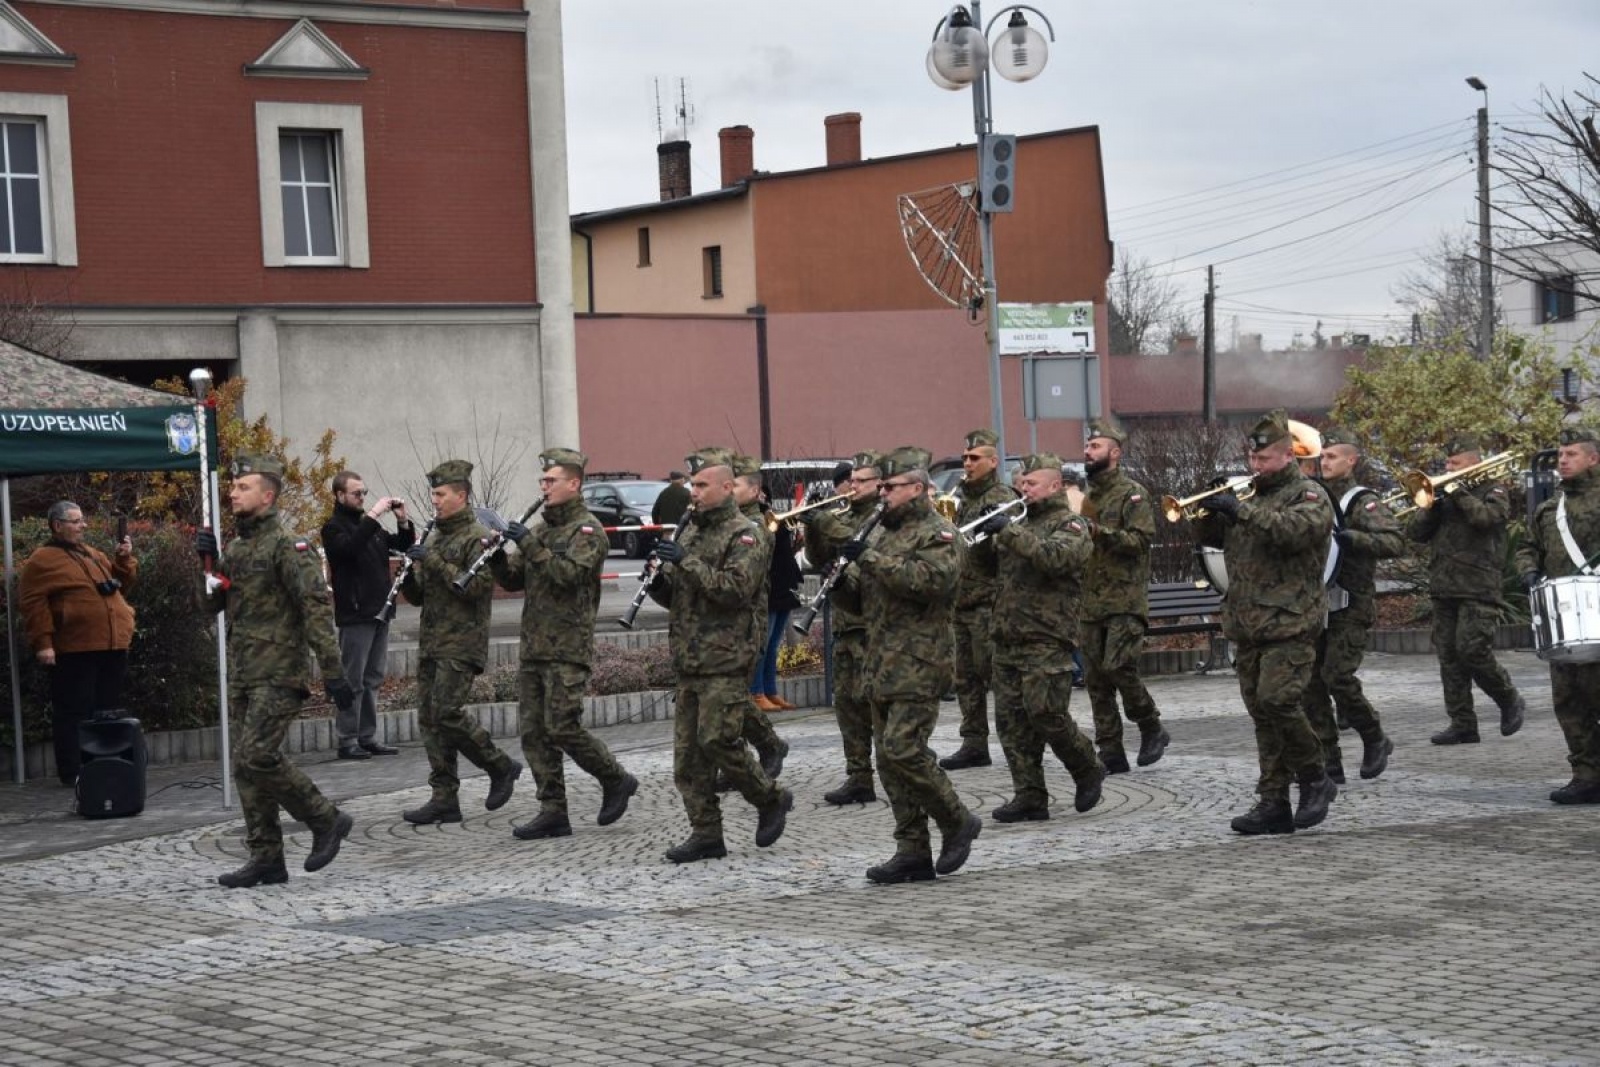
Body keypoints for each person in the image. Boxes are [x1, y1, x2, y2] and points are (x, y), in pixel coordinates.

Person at [194, 454, 355, 888]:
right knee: (246, 769)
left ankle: (326, 818)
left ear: (267, 495)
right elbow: (213, 606)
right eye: (233, 487)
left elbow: (315, 606)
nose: (233, 492)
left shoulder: (289, 544)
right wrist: (206, 568)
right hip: (245, 670)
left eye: (243, 487)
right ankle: (266, 857)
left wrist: (333, 670)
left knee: (257, 755)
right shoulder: (238, 548)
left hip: (280, 668)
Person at [1194, 411, 1338, 836]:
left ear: (1288, 456)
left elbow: (1294, 533)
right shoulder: (1250, 499)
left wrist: (1239, 511)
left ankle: (1316, 777)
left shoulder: (1309, 494)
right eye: (1253, 460)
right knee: (1263, 714)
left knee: (1279, 702)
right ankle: (1273, 801)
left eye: (1265, 460)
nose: (1256, 467)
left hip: (1290, 621)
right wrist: (1209, 514)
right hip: (1249, 622)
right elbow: (1215, 543)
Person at [843, 446, 981, 884]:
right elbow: (865, 598)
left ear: (917, 488)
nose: (881, 494)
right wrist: (838, 580)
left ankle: (956, 818)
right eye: (880, 486)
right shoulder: (882, 534)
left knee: (905, 750)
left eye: (889, 487)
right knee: (888, 761)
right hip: (881, 661)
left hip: (920, 660)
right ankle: (912, 849)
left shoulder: (939, 534)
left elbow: (928, 583)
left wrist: (867, 558)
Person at [649, 447, 793, 863]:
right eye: (692, 485)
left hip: (728, 654)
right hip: (691, 656)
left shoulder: (745, 532)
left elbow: (734, 590)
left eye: (701, 485)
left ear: (728, 487)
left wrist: (686, 563)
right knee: (687, 758)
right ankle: (706, 833)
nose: (692, 493)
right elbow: (680, 595)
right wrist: (659, 580)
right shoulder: (691, 529)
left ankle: (769, 798)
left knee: (718, 740)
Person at [492, 449, 639, 839]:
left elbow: (569, 575)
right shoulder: (540, 530)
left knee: (563, 727)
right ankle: (553, 809)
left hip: (568, 646)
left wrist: (529, 546)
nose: (543, 487)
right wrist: (494, 557)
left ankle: (615, 778)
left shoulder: (588, 531)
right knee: (533, 732)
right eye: (542, 481)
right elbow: (512, 580)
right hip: (535, 646)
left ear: (573, 484)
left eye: (550, 480)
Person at [397, 459, 523, 825]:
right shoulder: (436, 535)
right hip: (433, 640)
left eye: (440, 494)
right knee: (430, 720)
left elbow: (480, 588)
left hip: (462, 640)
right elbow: (421, 596)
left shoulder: (476, 537)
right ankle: (444, 796)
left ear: (461, 495)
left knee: (448, 712)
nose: (433, 501)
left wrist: (432, 561)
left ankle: (499, 766)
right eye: (433, 494)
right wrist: (407, 576)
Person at [982, 453, 1105, 822]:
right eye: (1022, 482)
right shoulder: (1016, 523)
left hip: (1047, 636)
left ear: (1054, 485)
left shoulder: (1071, 524)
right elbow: (986, 570)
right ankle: (1030, 794)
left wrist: (1008, 531)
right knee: (1011, 721)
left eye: (1031, 483)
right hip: (1007, 635)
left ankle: (1086, 766)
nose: (1023, 488)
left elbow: (1056, 560)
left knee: (1046, 713)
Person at [1407, 433, 1526, 745]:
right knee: (1449, 656)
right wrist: (1430, 506)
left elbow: (1487, 519)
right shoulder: (1443, 498)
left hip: (1478, 586)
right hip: (1444, 586)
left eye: (1454, 462)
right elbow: (1415, 534)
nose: (1448, 467)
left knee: (1472, 649)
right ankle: (1462, 724)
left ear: (1474, 462)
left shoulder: (1494, 490)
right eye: (1447, 462)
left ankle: (1508, 697)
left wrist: (1458, 493)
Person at [1302, 428, 1403, 783]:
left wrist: (1354, 538)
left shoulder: (1362, 501)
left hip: (1351, 605)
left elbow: (1394, 541)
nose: (1324, 462)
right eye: (1323, 456)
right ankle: (1330, 763)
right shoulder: (1313, 495)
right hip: (1317, 604)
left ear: (1351, 460)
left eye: (1332, 457)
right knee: (1311, 684)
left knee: (1337, 677)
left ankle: (1374, 736)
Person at [19, 500, 138, 786]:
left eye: (82, 520)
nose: (83, 525)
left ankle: (102, 765)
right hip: (75, 648)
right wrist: (44, 643)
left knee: (106, 709)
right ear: (57, 525)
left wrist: (123, 559)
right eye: (76, 521)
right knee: (73, 711)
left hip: (111, 645)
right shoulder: (42, 559)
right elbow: (32, 604)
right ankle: (73, 772)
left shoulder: (91, 553)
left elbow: (121, 583)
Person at [1078, 419, 1168, 774]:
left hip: (1124, 599)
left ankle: (1151, 726)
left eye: (1095, 446)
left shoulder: (1132, 493)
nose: (1088, 451)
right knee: (1097, 679)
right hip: (1091, 600)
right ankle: (1110, 749)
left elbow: (1140, 541)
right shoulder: (1087, 497)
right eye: (1087, 446)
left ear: (1115, 453)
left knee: (1119, 667)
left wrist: (1100, 532)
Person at [1517, 426, 1600, 804]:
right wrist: (1529, 571)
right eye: (1561, 455)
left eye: (1571, 454)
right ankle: (1585, 776)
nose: (1563, 461)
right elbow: (1527, 547)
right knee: (1568, 700)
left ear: (1593, 458)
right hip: (1565, 620)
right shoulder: (1551, 508)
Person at [800, 451, 885, 805]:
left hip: (873, 628)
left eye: (862, 479)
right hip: (845, 625)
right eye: (853, 479)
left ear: (880, 484)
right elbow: (818, 558)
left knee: (876, 706)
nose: (854, 484)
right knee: (847, 707)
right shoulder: (843, 515)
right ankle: (858, 775)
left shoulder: (883, 520)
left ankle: (896, 775)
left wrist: (827, 524)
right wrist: (811, 525)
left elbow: (856, 546)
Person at [319, 470, 413, 760]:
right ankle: (347, 739)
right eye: (356, 493)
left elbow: (403, 546)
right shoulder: (334, 528)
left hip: (379, 611)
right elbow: (349, 550)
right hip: (356, 613)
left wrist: (403, 521)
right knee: (353, 679)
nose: (362, 498)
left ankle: (367, 736)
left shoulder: (368, 527)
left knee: (373, 678)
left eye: (364, 493)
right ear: (339, 495)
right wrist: (373, 515)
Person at [940, 429, 1019, 771]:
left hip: (989, 600)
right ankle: (974, 742)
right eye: (965, 458)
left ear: (992, 461)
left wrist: (992, 530)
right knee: (965, 679)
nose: (967, 464)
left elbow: (1006, 551)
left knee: (995, 675)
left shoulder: (1002, 496)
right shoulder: (957, 496)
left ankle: (1016, 740)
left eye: (975, 459)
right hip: (961, 599)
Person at [712, 453, 787, 789]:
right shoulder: (726, 521)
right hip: (722, 622)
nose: (730, 491)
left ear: (755, 491)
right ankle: (748, 756)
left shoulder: (757, 525)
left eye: (737, 485)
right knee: (729, 700)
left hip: (746, 620)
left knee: (733, 698)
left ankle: (755, 753)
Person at [750, 476, 803, 714]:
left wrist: (796, 544)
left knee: (773, 645)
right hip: (769, 588)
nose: (762, 497)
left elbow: (780, 550)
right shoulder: (755, 520)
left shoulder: (772, 515)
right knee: (763, 644)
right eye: (759, 493)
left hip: (783, 585)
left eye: (764, 494)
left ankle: (770, 690)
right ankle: (757, 691)